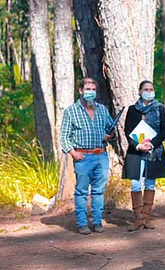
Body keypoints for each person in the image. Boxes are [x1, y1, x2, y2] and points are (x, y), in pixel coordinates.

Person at [60, 77, 114, 235]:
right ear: (81, 90)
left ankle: (97, 222)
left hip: (101, 156)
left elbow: (110, 130)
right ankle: (82, 223)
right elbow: (64, 136)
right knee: (81, 191)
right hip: (82, 157)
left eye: (93, 89)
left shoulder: (102, 110)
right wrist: (73, 153)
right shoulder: (71, 111)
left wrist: (108, 136)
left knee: (98, 191)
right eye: (88, 89)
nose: (91, 92)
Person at [122, 80, 165, 231]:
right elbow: (127, 130)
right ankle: (138, 219)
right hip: (135, 152)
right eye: (145, 89)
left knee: (150, 183)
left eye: (151, 89)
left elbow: (164, 130)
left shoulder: (159, 108)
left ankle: (147, 218)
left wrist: (152, 144)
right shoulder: (132, 110)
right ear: (139, 91)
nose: (148, 91)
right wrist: (137, 145)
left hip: (153, 152)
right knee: (135, 183)